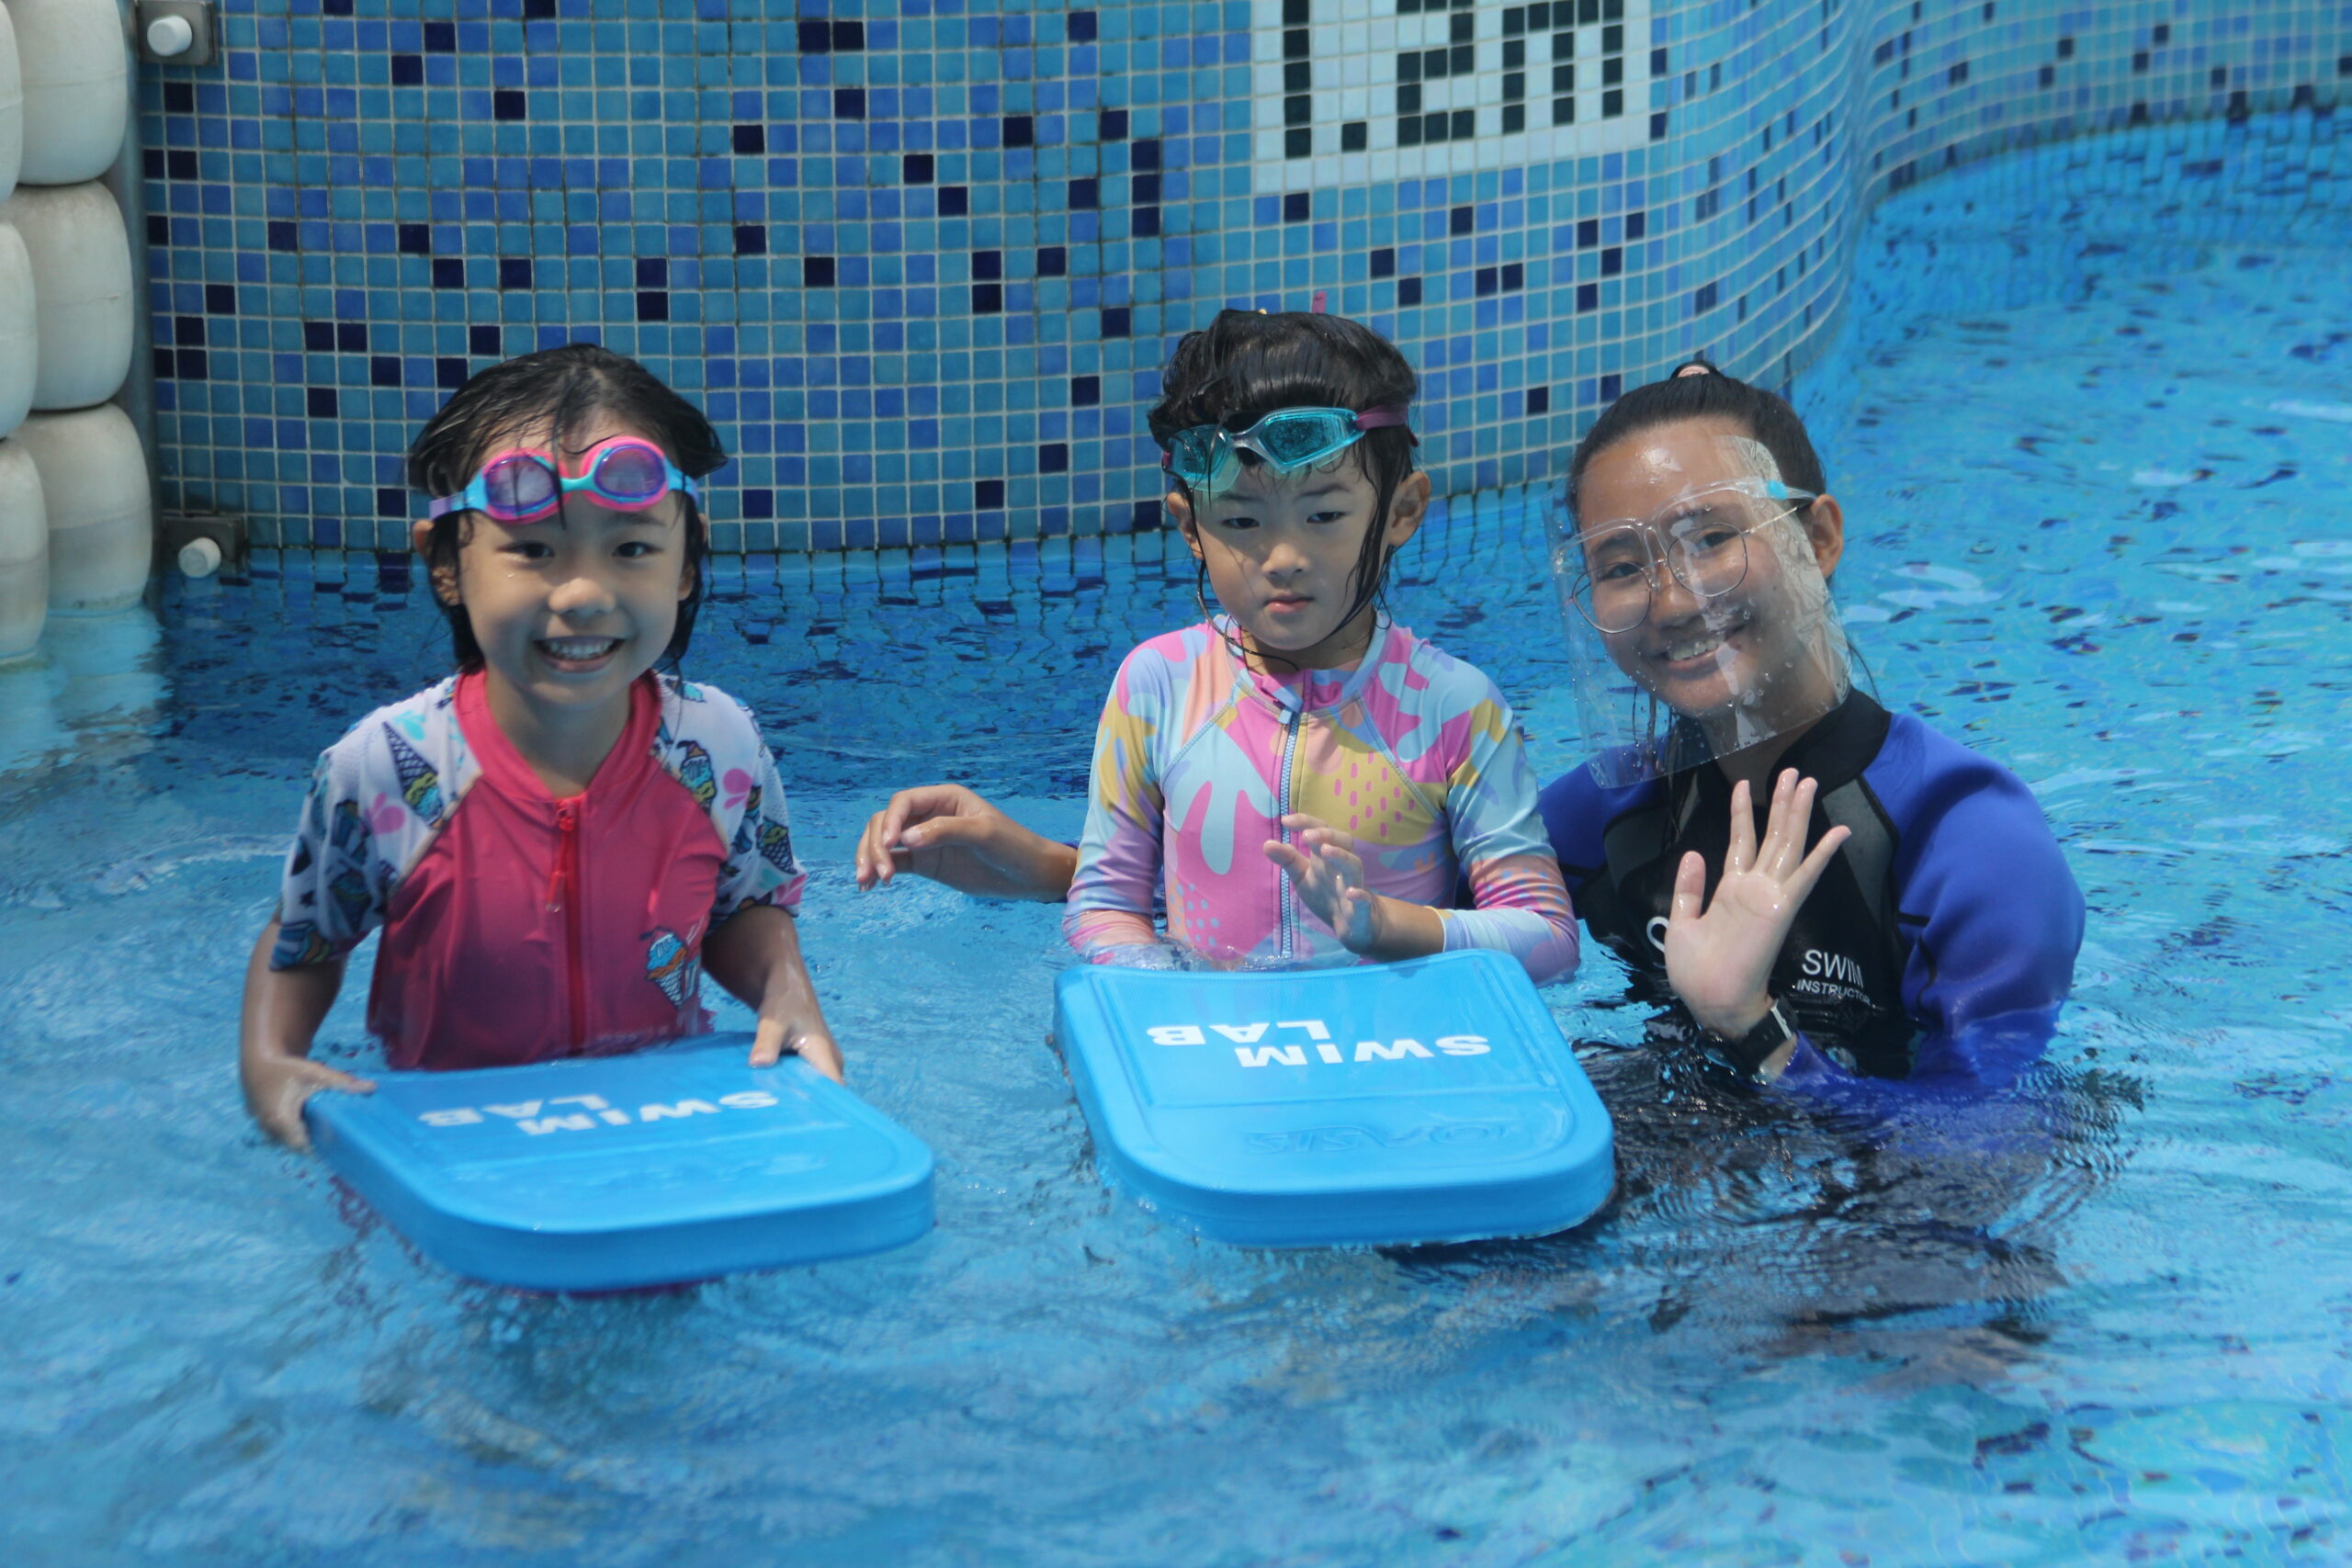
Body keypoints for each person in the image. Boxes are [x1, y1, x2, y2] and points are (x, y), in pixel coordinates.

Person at [857, 359, 2082, 1092]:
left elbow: (1987, 1155)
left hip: (1896, 1274)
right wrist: (1035, 868)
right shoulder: (1608, 820)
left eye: (1713, 537)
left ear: (1816, 539)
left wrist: (1751, 1030)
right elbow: (1347, 906)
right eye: (1619, 563)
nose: (1673, 597)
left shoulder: (1964, 845)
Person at [241, 344, 842, 1150]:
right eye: (532, 549)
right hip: (452, 1148)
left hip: (657, 1132)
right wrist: (271, 1060)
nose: (584, 592)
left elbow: (744, 907)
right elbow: (305, 937)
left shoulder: (719, 747)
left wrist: (785, 988)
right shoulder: (382, 767)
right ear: (448, 563)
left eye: (631, 549)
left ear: (687, 565)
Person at [881, 310, 1578, 977]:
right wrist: (1171, 997)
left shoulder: (1453, 709)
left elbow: (1548, 936)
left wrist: (1389, 926)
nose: (1283, 556)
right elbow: (1105, 907)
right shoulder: (1158, 685)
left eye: (1326, 514)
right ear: (1190, 527)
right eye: (1241, 520)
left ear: (1402, 511)